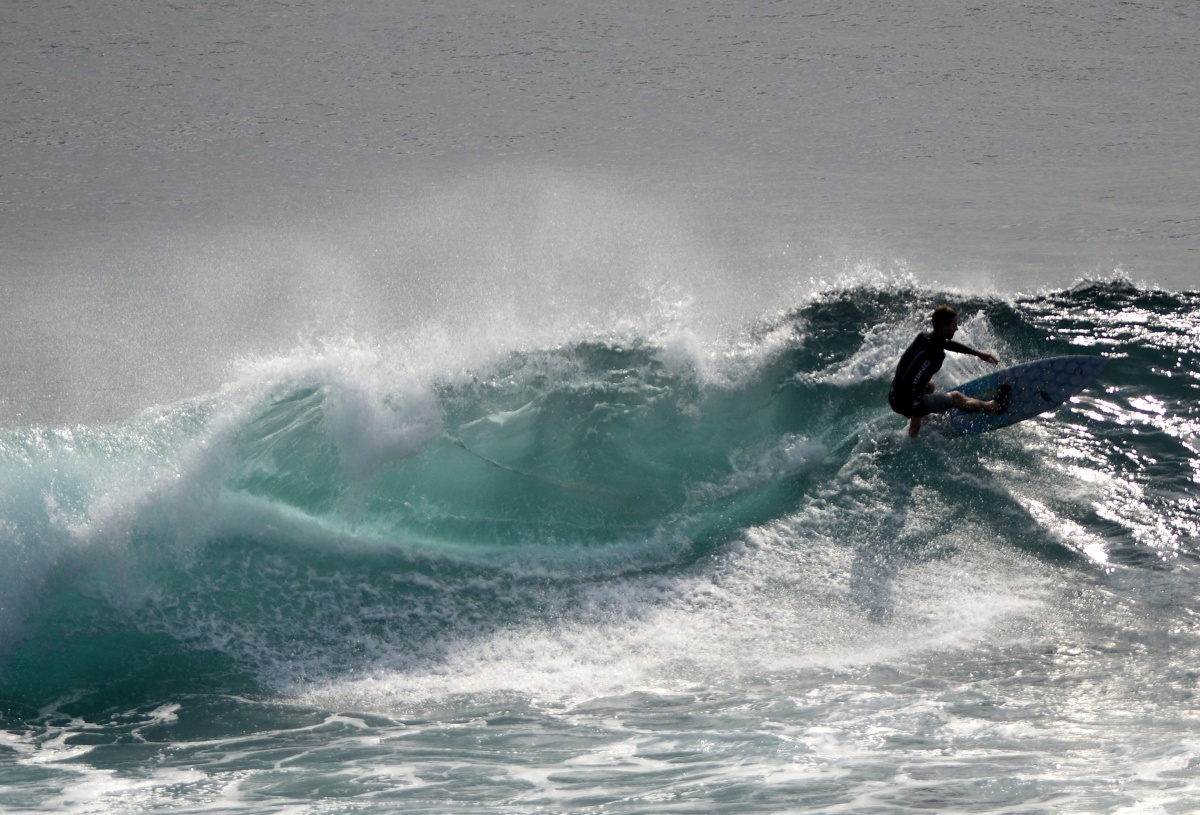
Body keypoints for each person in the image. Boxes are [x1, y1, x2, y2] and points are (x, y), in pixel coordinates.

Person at [888, 305, 1006, 438]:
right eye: (954, 325)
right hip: (908, 402)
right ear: (944, 327)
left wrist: (977, 353)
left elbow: (943, 343)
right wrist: (916, 414)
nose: (956, 328)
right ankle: (993, 407)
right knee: (956, 397)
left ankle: (925, 411)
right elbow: (916, 383)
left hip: (894, 396)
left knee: (931, 384)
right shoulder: (934, 356)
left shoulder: (923, 337)